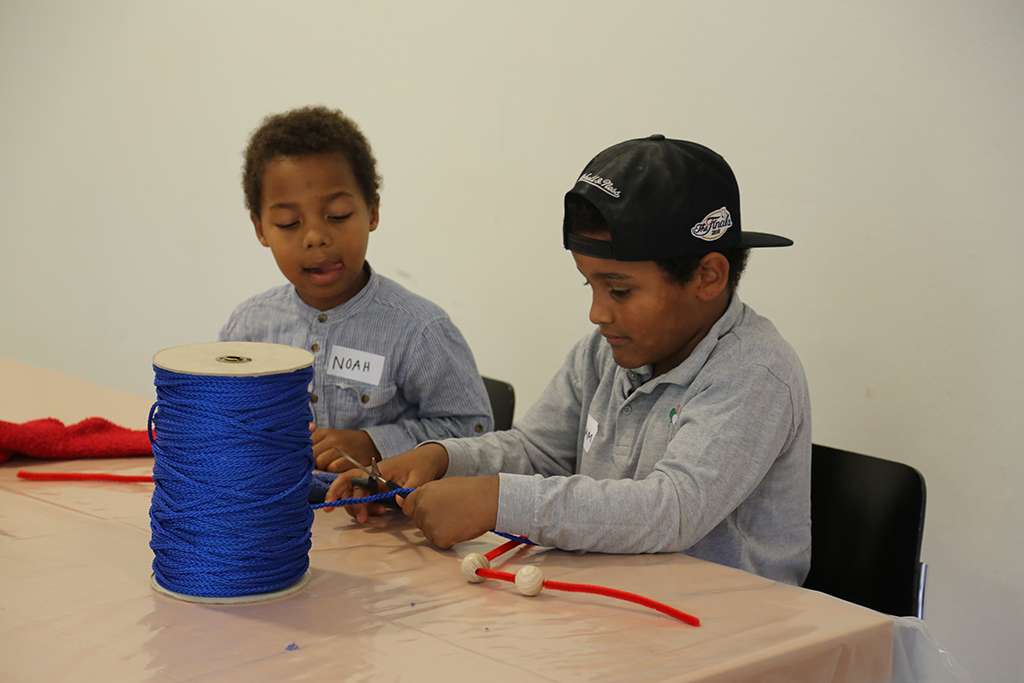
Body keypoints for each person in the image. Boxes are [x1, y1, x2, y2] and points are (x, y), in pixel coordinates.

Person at [326, 134, 811, 585]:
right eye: (590, 284)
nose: (597, 313)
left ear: (708, 276)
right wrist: (442, 460)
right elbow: (539, 452)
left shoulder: (755, 372)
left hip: (732, 632)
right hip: (612, 606)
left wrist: (495, 500)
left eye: (619, 289)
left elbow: (671, 510)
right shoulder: (604, 353)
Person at [220, 105, 493, 477]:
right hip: (273, 515)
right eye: (288, 223)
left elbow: (475, 430)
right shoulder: (248, 327)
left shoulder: (419, 330)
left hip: (380, 525)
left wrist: (375, 443)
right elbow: (220, 419)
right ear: (261, 229)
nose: (316, 237)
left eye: (338, 215)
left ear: (372, 211)